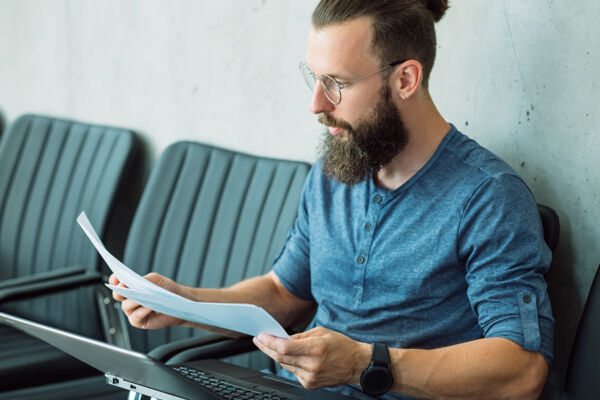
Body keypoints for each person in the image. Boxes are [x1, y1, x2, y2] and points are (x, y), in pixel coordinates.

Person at [111, 1, 554, 399]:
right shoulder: (335, 170)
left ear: (406, 79)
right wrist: (181, 301)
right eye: (314, 77)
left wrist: (366, 364)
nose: (315, 103)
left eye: (336, 83)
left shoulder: (487, 195)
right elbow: (285, 293)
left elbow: (522, 370)